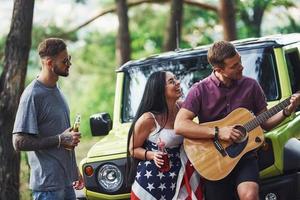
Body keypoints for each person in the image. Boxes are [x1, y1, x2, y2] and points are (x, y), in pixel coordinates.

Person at [174, 40, 300, 200]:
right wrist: (218, 132)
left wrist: (287, 110)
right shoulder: (199, 90)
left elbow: (265, 123)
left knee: (250, 196)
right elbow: (180, 125)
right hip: (213, 161)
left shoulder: (251, 86)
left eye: (239, 61)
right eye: (234, 66)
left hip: (245, 157)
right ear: (218, 69)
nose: (241, 66)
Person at [12, 38, 84, 200]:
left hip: (66, 182)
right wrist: (59, 139)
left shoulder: (57, 90)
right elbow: (18, 141)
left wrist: (74, 170)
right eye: (65, 61)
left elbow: (65, 141)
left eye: (69, 59)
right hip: (47, 188)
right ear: (49, 63)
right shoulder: (32, 95)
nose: (69, 64)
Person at [126, 71, 202, 200]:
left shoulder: (182, 108)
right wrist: (152, 155)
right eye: (172, 81)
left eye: (176, 79)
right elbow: (132, 149)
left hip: (183, 172)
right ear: (159, 90)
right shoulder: (147, 119)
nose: (178, 82)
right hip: (154, 180)